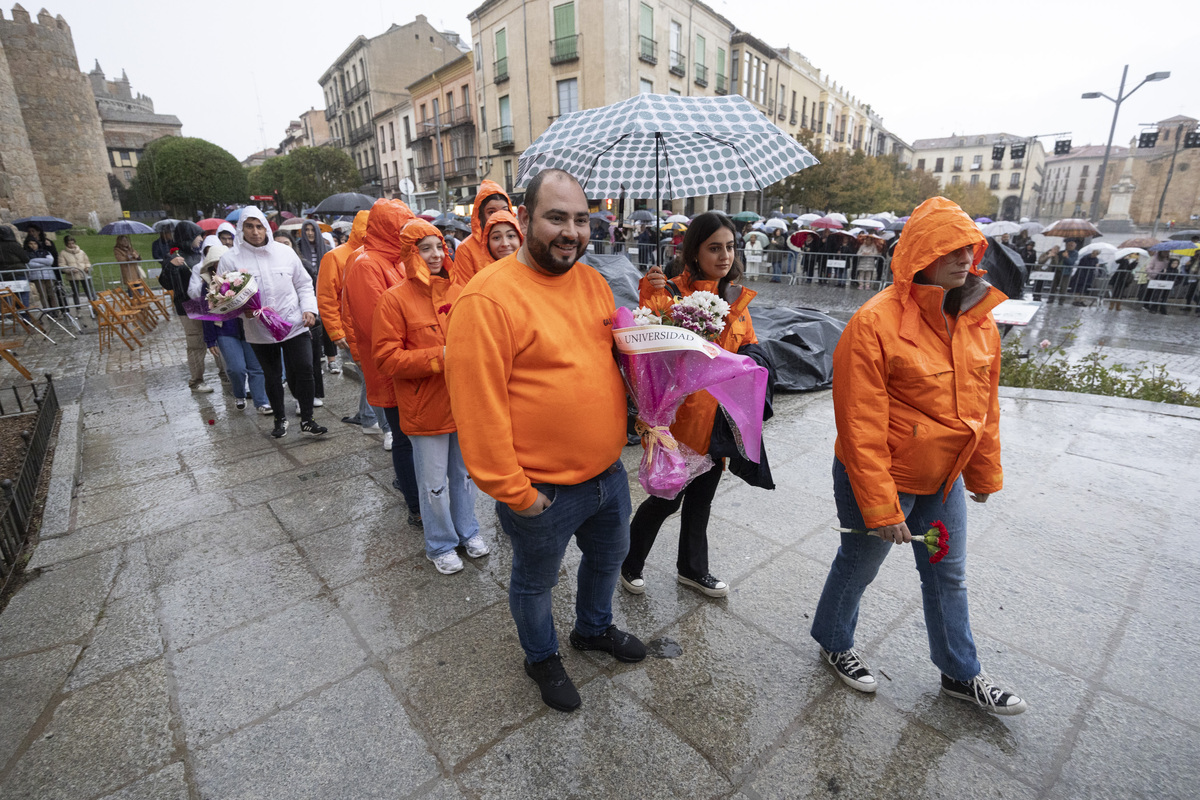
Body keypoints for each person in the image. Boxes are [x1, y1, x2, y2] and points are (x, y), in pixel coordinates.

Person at [810, 196, 1025, 716]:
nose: (965, 258)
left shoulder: (980, 321)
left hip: (944, 478)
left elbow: (984, 406)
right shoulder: (873, 324)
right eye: (949, 248)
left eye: (969, 248)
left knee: (947, 572)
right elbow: (860, 425)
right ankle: (835, 641)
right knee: (860, 565)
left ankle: (960, 672)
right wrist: (883, 507)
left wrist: (983, 471)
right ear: (920, 255)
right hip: (884, 476)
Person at [445, 168, 646, 713]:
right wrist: (518, 493)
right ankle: (541, 656)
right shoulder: (486, 299)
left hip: (607, 475)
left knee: (609, 559)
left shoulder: (594, 281)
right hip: (543, 489)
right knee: (535, 583)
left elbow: (611, 366)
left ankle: (593, 629)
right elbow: (476, 409)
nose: (572, 232)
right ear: (525, 218)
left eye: (581, 220)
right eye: (556, 217)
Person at [620, 211, 757, 600]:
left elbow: (748, 345)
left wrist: (755, 361)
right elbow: (650, 345)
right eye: (715, 248)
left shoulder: (735, 296)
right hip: (681, 417)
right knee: (667, 497)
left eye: (730, 247)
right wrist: (652, 295)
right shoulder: (671, 293)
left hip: (720, 418)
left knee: (702, 500)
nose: (725, 255)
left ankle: (693, 570)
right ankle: (629, 561)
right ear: (694, 251)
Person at [374, 220, 487, 574]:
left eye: (440, 246)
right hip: (425, 406)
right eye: (426, 248)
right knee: (434, 484)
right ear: (410, 254)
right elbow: (386, 357)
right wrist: (439, 357)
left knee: (465, 476)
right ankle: (440, 544)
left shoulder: (461, 291)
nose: (436, 254)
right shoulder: (393, 300)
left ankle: (467, 530)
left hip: (463, 402)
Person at [342, 198, 421, 523]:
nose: (407, 234)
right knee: (404, 437)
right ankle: (416, 506)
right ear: (387, 230)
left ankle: (414, 488)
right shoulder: (366, 265)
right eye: (401, 228)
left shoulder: (397, 259)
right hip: (392, 367)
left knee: (414, 435)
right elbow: (377, 322)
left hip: (411, 362)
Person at [217, 206, 326, 438]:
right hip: (259, 330)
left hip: (293, 323)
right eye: (249, 226)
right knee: (273, 374)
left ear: (266, 227)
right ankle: (280, 418)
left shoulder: (284, 253)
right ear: (242, 228)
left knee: (305, 368)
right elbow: (222, 296)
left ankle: (308, 418)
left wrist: (309, 309)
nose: (255, 232)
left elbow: (304, 284)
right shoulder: (230, 259)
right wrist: (239, 310)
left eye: (259, 226)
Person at [318, 210, 376, 428]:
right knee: (370, 375)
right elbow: (326, 297)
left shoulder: (378, 252)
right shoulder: (334, 256)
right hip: (349, 329)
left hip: (371, 327)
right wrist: (335, 331)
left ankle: (366, 416)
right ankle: (370, 419)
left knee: (369, 376)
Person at [195, 243, 270, 412]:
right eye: (216, 262)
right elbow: (206, 314)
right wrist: (210, 339)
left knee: (256, 367)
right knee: (236, 368)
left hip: (248, 328)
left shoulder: (241, 278)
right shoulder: (207, 284)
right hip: (225, 331)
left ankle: (261, 402)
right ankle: (239, 394)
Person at [160, 222, 218, 392]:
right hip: (188, 305)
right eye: (198, 235)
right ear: (188, 236)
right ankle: (197, 381)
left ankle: (226, 375)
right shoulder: (174, 255)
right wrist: (171, 266)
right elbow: (165, 283)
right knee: (196, 343)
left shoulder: (199, 254)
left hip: (206, 302)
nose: (201, 238)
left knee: (217, 338)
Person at [296, 221, 335, 407]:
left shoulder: (326, 249)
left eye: (313, 230)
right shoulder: (298, 247)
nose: (310, 233)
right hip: (306, 293)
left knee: (327, 326)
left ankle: (331, 359)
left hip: (324, 290)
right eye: (307, 230)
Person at [450, 179, 513, 285]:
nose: (499, 216)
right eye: (491, 212)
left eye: (504, 210)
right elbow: (464, 289)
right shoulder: (466, 249)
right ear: (480, 215)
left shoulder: (521, 241)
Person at [23, 235, 59, 314]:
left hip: (49, 275)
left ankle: (56, 311)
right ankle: (48, 312)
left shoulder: (45, 251)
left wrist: (35, 260)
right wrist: (43, 263)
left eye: (35, 243)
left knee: (52, 294)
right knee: (43, 295)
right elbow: (29, 264)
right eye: (30, 244)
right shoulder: (26, 253)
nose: (33, 246)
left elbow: (50, 261)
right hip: (37, 276)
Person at [0, 226, 32, 310]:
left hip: (3, 274)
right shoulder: (13, 245)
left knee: (7, 297)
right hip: (18, 273)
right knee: (22, 296)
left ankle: (12, 317)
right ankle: (25, 318)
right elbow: (25, 259)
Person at [59, 235, 94, 303]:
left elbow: (87, 261)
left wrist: (87, 267)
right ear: (66, 244)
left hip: (83, 273)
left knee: (89, 290)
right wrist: (70, 270)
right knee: (75, 292)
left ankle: (94, 305)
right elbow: (62, 265)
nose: (71, 245)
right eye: (69, 244)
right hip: (73, 275)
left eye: (72, 243)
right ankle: (78, 308)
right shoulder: (63, 253)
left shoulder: (81, 252)